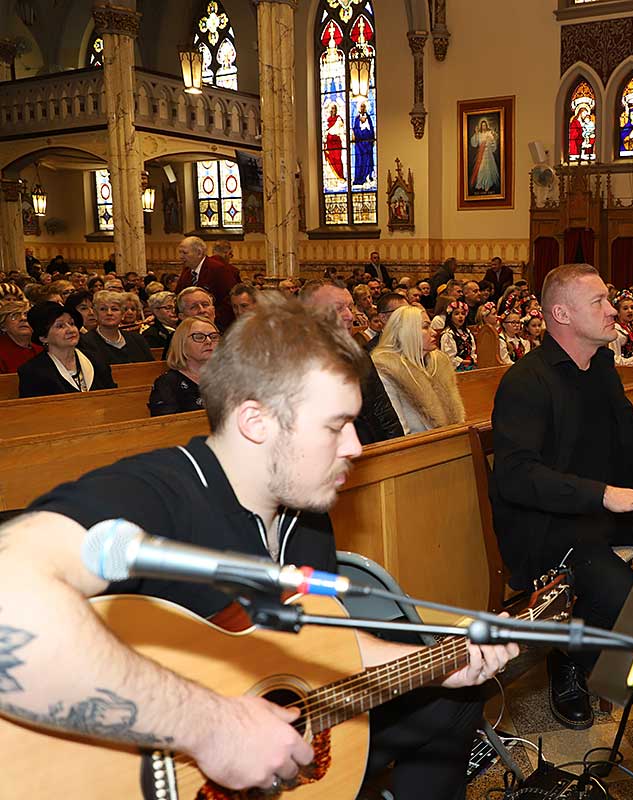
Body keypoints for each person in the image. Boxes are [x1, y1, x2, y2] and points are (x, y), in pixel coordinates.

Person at [0, 296, 515, 798]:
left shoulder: (305, 513)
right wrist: (209, 726)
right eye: (336, 426)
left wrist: (436, 662)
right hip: (128, 764)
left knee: (451, 703)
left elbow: (316, 644)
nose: (356, 446)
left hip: (267, 727)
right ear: (256, 421)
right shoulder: (153, 492)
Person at [489, 263, 633, 729]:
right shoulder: (525, 382)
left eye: (608, 299)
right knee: (627, 606)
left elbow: (628, 424)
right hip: (548, 527)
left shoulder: (599, 364)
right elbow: (516, 476)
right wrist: (603, 495)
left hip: (604, 512)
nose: (612, 309)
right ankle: (568, 660)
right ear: (562, 314)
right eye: (598, 301)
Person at [300, 280, 404, 445]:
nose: (349, 316)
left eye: (350, 307)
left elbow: (384, 412)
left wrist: (398, 449)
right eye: (338, 308)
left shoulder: (359, 356)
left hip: (374, 452)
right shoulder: (295, 367)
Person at [373, 305, 467, 435]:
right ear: (407, 332)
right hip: (420, 444)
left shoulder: (439, 363)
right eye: (425, 327)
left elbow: (456, 418)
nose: (434, 332)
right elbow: (400, 432)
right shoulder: (387, 371)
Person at [18, 301, 116, 396]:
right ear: (44, 337)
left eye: (72, 323)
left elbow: (113, 397)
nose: (70, 330)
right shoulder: (32, 372)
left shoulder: (96, 360)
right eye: (60, 326)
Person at [148, 316, 218, 416]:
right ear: (182, 343)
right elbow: (167, 423)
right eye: (199, 337)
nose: (209, 341)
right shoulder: (167, 383)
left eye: (214, 337)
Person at [174, 236, 240, 330]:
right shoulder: (187, 271)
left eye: (184, 253)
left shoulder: (217, 269)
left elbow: (229, 300)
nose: (180, 257)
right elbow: (178, 297)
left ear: (199, 253)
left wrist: (210, 320)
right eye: (180, 253)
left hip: (217, 326)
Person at [79, 289, 155, 365]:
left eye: (114, 309)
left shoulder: (138, 340)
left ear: (123, 315)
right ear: (95, 314)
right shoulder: (85, 343)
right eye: (103, 309)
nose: (109, 313)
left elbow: (152, 367)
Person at [0, 287, 41, 373]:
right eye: (15, 316)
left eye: (27, 315)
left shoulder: (41, 350)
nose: (23, 318)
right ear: (3, 326)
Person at [439, 300, 477, 372]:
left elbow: (473, 352)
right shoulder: (448, 334)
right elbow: (449, 358)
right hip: (455, 369)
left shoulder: (467, 333)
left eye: (463, 314)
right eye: (456, 314)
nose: (460, 316)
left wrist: (472, 359)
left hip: (470, 366)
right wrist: (466, 362)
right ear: (450, 316)